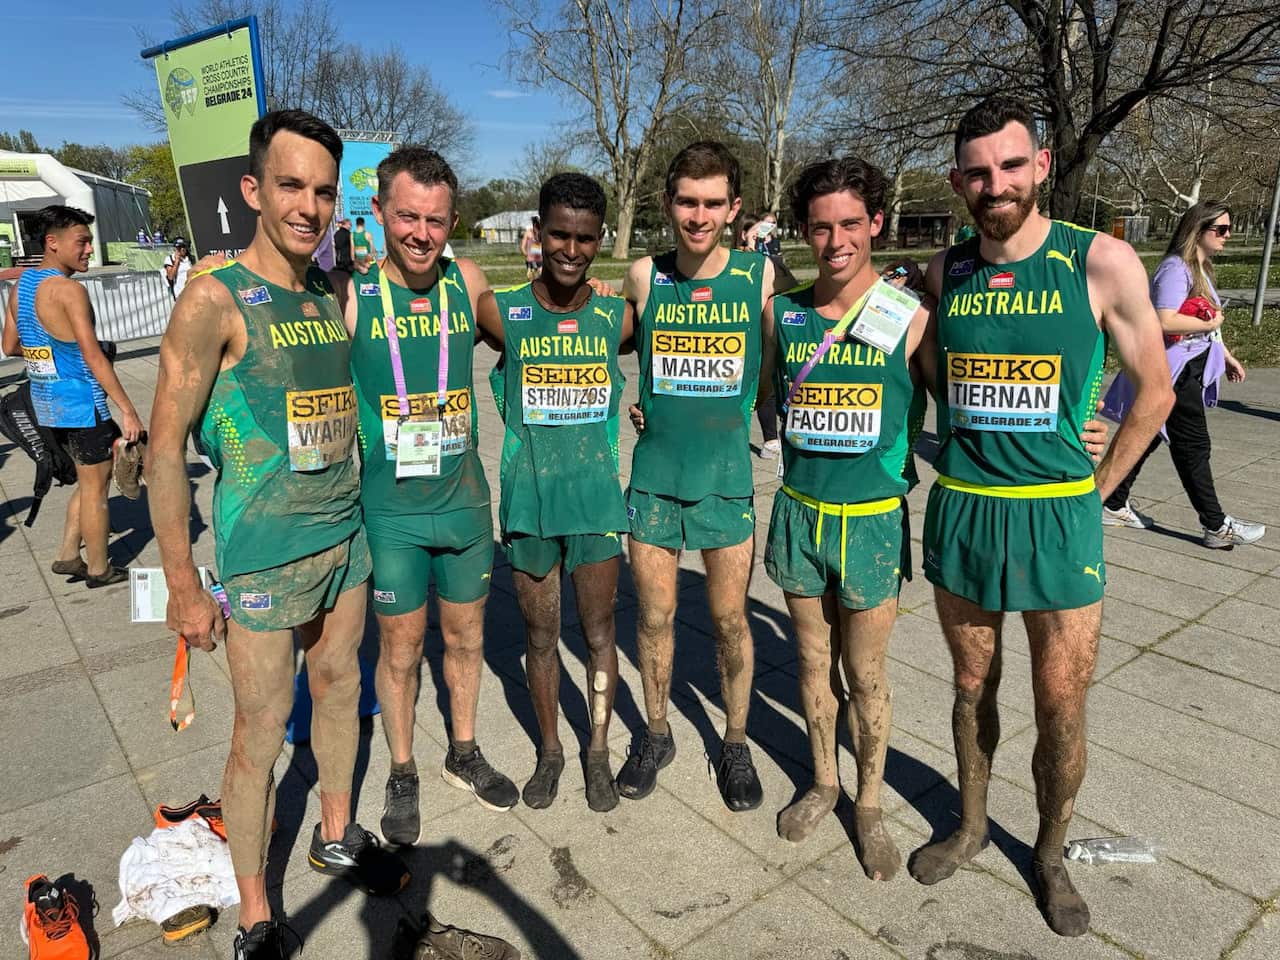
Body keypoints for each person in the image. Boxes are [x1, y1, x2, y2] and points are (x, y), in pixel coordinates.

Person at [146, 110, 409, 960]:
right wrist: (184, 586)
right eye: (290, 185)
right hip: (263, 556)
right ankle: (258, 912)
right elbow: (160, 454)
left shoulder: (329, 292)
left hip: (346, 541)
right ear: (253, 190)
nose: (309, 205)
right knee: (259, 735)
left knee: (338, 690)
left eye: (324, 190)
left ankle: (335, 833)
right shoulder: (213, 299)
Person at [910, 96, 1174, 936]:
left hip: (1058, 518)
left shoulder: (1099, 261)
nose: (996, 185)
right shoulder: (946, 273)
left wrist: (1098, 485)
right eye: (979, 172)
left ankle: (1051, 853)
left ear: (1043, 165)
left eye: (1011, 166)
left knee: (1061, 702)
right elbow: (929, 377)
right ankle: (973, 824)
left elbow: (1156, 391)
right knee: (967, 686)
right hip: (967, 509)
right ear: (958, 181)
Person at [759, 157, 930, 880]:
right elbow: (762, 401)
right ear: (803, 230)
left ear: (876, 225)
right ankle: (823, 782)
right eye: (822, 226)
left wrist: (1076, 429)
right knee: (808, 663)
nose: (836, 241)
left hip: (869, 521)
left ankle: (868, 804)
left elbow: (966, 401)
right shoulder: (783, 313)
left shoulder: (911, 319)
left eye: (851, 224)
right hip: (800, 513)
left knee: (865, 672)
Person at [343, 145, 517, 846]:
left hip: (466, 505)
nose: (421, 233)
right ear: (380, 212)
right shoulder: (352, 295)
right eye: (408, 217)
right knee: (401, 648)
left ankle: (464, 752)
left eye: (437, 220)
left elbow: (532, 336)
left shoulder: (466, 280)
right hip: (393, 515)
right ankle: (403, 765)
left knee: (468, 638)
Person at [618, 142, 780, 812]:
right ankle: (655, 732)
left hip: (724, 483)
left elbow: (809, 348)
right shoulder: (642, 276)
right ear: (668, 203)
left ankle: (735, 741)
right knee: (655, 618)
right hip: (654, 479)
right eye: (688, 201)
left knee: (730, 621)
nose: (699, 215)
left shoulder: (757, 278)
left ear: (734, 208)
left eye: (714, 203)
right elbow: (593, 340)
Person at [476, 173, 632, 813]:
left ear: (599, 241)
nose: (572, 250)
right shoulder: (501, 312)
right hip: (530, 505)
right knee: (540, 639)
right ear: (536, 234)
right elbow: (439, 286)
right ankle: (550, 752)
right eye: (560, 235)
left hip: (594, 502)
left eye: (586, 239)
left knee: (599, 635)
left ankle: (596, 750)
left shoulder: (619, 317)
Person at [1100, 201, 1265, 548]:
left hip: (1184, 369)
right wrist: (1211, 321)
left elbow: (1207, 334)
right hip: (1170, 373)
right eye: (1220, 229)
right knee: (1193, 446)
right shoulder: (1176, 269)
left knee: (1148, 437)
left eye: (1229, 228)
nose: (1227, 235)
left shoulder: (1199, 268)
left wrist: (1227, 356)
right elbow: (1164, 319)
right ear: (1197, 230)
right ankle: (1217, 526)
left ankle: (1111, 501)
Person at [2, 204, 144, 587]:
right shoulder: (69, 292)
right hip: (84, 405)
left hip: (47, 404)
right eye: (81, 242)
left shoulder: (22, 287)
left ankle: (68, 554)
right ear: (52, 242)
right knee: (97, 487)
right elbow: (93, 357)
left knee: (87, 479)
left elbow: (11, 345)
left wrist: (49, 354)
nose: (88, 251)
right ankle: (99, 567)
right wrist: (127, 410)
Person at [330, 217, 354, 311]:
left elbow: (335, 247)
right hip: (348, 263)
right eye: (350, 225)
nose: (351, 226)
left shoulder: (336, 234)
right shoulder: (349, 235)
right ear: (346, 224)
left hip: (339, 262)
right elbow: (353, 248)